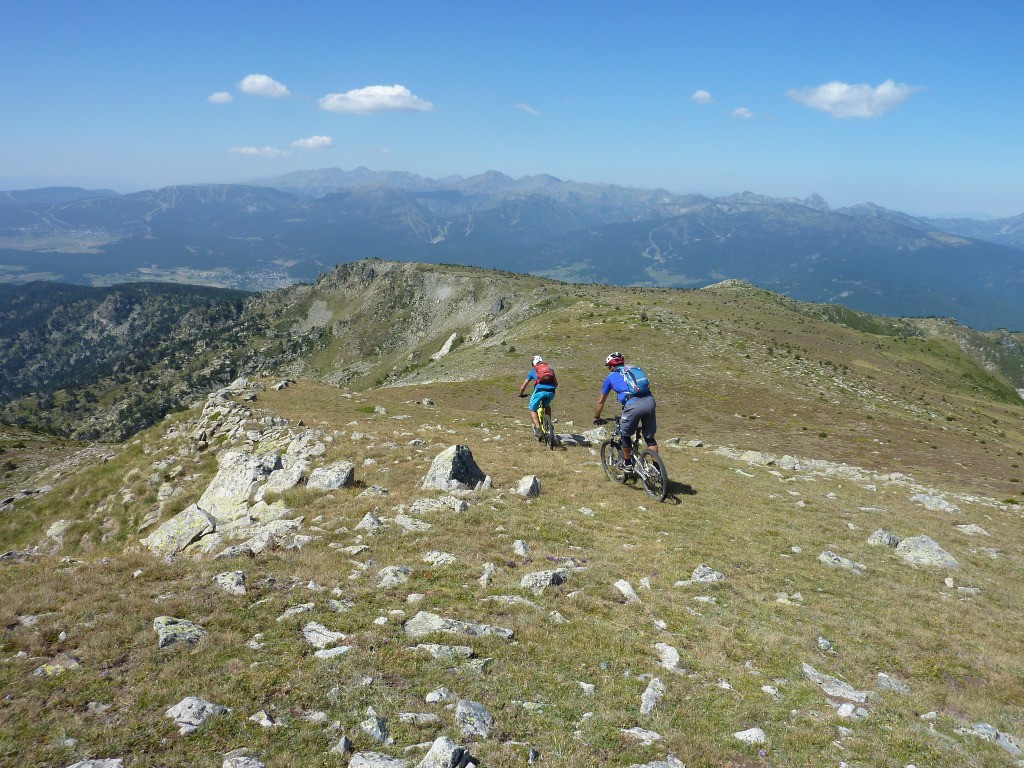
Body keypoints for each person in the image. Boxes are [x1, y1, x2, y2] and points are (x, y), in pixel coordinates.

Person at [594, 351, 657, 470]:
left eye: (609, 367)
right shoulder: (633, 370)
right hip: (649, 401)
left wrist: (597, 417)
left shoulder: (611, 377)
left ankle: (627, 464)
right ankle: (657, 469)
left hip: (633, 406)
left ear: (611, 366)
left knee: (625, 435)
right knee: (650, 439)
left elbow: (601, 401)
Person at [518, 355, 557, 440]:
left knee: (532, 409)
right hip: (551, 391)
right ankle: (549, 423)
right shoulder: (550, 369)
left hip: (539, 391)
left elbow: (522, 387)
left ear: (534, 363)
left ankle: (538, 429)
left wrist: (521, 394)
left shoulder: (533, 371)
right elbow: (556, 384)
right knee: (546, 405)